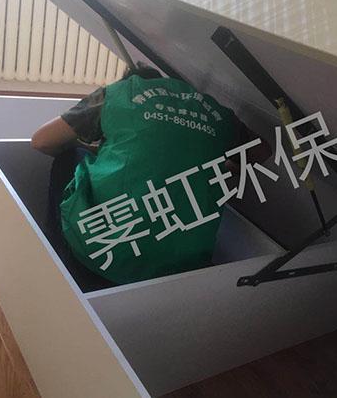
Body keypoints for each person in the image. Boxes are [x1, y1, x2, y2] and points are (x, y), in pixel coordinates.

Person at [32, 62, 270, 287]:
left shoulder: (119, 94)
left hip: (99, 252)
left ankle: (55, 254)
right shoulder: (216, 112)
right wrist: (226, 166)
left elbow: (41, 141)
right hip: (180, 266)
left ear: (129, 80)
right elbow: (263, 151)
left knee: (69, 156)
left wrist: (91, 149)